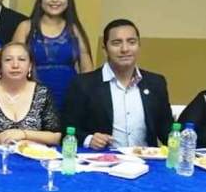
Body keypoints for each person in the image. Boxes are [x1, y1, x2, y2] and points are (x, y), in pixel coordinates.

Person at [62, 19, 173, 150]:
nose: (125, 49)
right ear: (105, 48)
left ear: (139, 45)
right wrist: (89, 139)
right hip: (102, 159)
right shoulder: (84, 84)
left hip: (146, 159)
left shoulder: (156, 83)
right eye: (116, 43)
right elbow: (66, 128)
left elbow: (166, 130)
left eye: (131, 42)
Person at [12, 0, 93, 110]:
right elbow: (13, 65)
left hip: (70, 98)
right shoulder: (25, 27)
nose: (55, 0)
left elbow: (87, 71)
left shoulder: (74, 29)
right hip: (31, 99)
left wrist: (86, 99)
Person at [0, 42, 61, 145]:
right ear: (0, 66)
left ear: (30, 66)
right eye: (8, 60)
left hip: (31, 153)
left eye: (21, 59)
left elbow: (55, 137)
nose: (15, 65)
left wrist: (24, 134)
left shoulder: (42, 92)